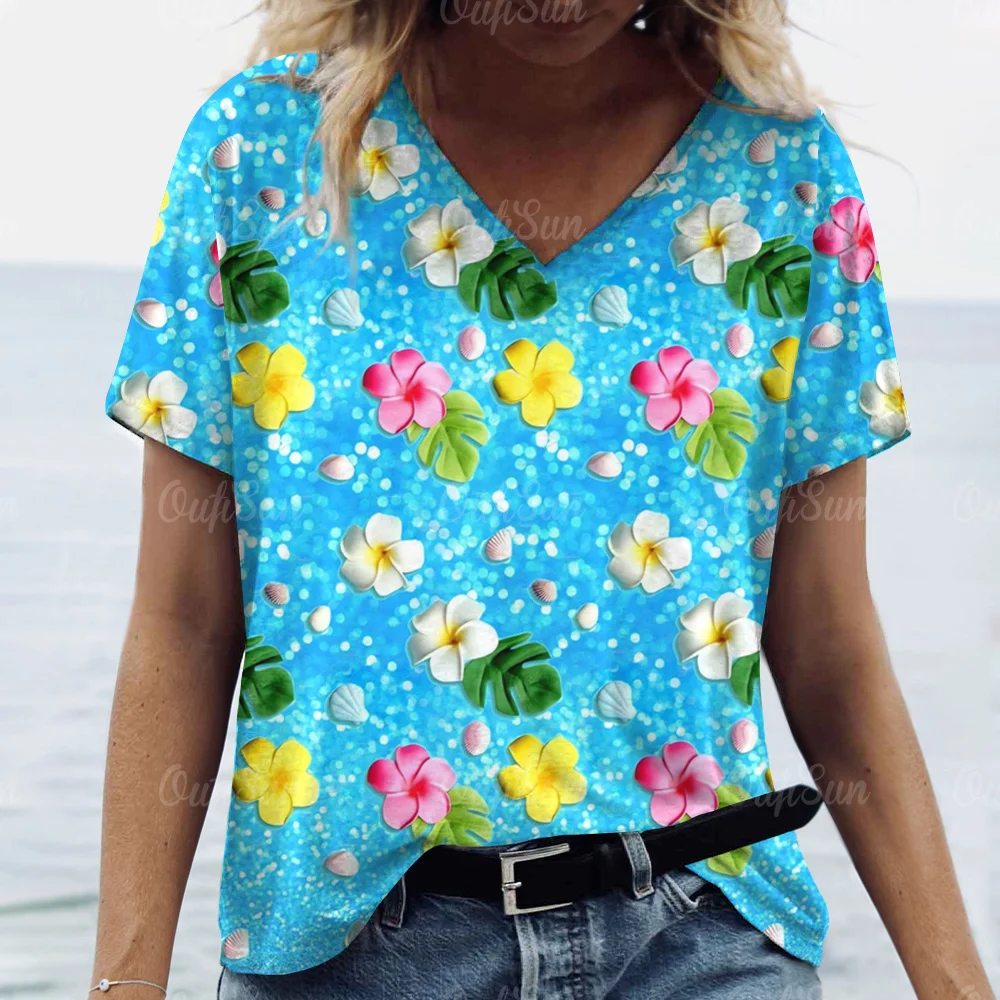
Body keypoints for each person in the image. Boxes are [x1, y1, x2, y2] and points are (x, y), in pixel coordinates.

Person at [93, 2, 995, 999]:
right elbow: (183, 623)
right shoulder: (258, 154)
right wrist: (122, 984)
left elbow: (827, 641)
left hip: (700, 943)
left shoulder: (782, 171)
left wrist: (957, 984)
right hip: (347, 960)